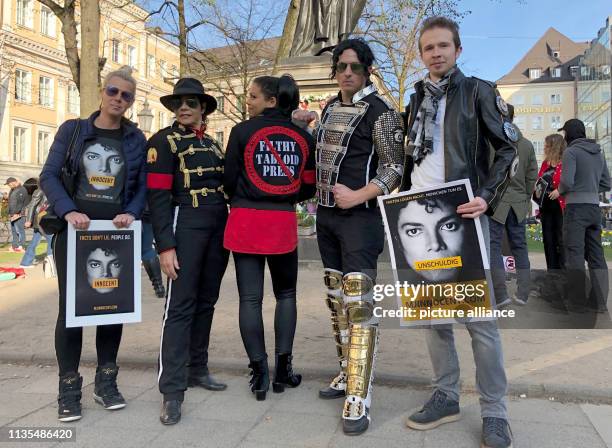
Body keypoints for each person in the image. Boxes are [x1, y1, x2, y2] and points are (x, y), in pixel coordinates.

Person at [399, 17, 517, 448]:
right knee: (434, 319)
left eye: (444, 46)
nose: (436, 53)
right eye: (429, 47)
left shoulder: (478, 91)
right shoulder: (415, 99)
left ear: (458, 49)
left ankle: (494, 412)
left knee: (480, 323)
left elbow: (509, 149)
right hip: (419, 213)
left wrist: (487, 196)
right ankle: (446, 395)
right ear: (422, 53)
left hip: (465, 214)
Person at [294, 38, 404, 435]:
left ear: (367, 70)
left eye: (354, 67)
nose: (346, 72)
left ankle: (359, 395)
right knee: (337, 299)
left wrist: (358, 195)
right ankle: (345, 374)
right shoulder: (327, 108)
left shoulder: (383, 112)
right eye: (341, 66)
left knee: (359, 305)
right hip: (326, 217)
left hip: (361, 219)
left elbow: (394, 169)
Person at [39, 66, 147, 422]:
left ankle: (106, 382)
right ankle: (68, 389)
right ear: (103, 92)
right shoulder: (73, 131)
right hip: (75, 234)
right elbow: (49, 175)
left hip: (116, 235)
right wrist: (68, 210)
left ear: (131, 102)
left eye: (126, 95)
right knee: (71, 311)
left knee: (110, 307)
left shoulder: (134, 139)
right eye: (113, 91)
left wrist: (131, 212)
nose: (118, 99)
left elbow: (141, 186)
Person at [223, 74, 316, 401]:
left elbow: (229, 179)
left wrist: (248, 194)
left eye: (252, 96)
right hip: (280, 221)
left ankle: (259, 373)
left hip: (246, 218)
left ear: (271, 101)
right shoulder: (304, 138)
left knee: (250, 299)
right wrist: (285, 194)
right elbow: (308, 184)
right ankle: (283, 370)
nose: (247, 100)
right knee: (286, 295)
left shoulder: (240, 132)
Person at [146, 78, 229, 425]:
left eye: (191, 103)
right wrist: (165, 245)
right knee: (179, 307)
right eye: (179, 102)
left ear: (202, 109)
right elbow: (158, 199)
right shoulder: (161, 143)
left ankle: (198, 369)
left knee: (206, 301)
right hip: (186, 223)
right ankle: (172, 390)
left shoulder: (212, 143)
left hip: (217, 225)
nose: (184, 107)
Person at [558, 118, 611, 313]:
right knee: (597, 256)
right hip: (594, 209)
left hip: (576, 209)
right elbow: (607, 183)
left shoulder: (571, 152)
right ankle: (599, 303)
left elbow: (567, 182)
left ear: (569, 134)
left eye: (564, 133)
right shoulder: (598, 151)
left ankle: (576, 303)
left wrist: (561, 190)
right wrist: (590, 187)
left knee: (575, 256)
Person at [489, 105, 538, 306]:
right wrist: (525, 198)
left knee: (493, 247)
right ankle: (523, 293)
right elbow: (531, 176)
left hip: (496, 202)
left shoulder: (492, 141)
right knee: (520, 247)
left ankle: (500, 294)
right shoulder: (526, 144)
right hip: (518, 203)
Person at [538, 134, 566, 271]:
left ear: (555, 147)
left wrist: (559, 191)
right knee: (548, 241)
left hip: (560, 207)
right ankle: (552, 273)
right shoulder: (545, 164)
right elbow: (539, 181)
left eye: (547, 145)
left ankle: (563, 274)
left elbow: (571, 182)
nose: (544, 147)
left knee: (561, 241)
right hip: (546, 207)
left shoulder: (566, 163)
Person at [19, 182, 54, 268]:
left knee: (34, 242)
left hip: (42, 221)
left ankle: (25, 263)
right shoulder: (40, 191)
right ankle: (51, 264)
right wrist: (28, 220)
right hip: (42, 221)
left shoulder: (48, 190)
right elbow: (32, 205)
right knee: (52, 241)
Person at [141, 207, 165, 298]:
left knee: (145, 249)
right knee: (147, 248)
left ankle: (158, 286)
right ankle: (158, 286)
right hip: (150, 209)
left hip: (135, 209)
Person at [6, 177, 28, 252]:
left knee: (20, 230)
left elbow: (20, 203)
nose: (9, 186)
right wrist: (9, 213)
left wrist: (16, 213)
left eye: (9, 184)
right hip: (12, 214)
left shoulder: (22, 189)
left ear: (13, 182)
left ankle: (22, 246)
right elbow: (11, 202)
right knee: (14, 231)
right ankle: (15, 246)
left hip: (19, 214)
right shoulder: (12, 190)